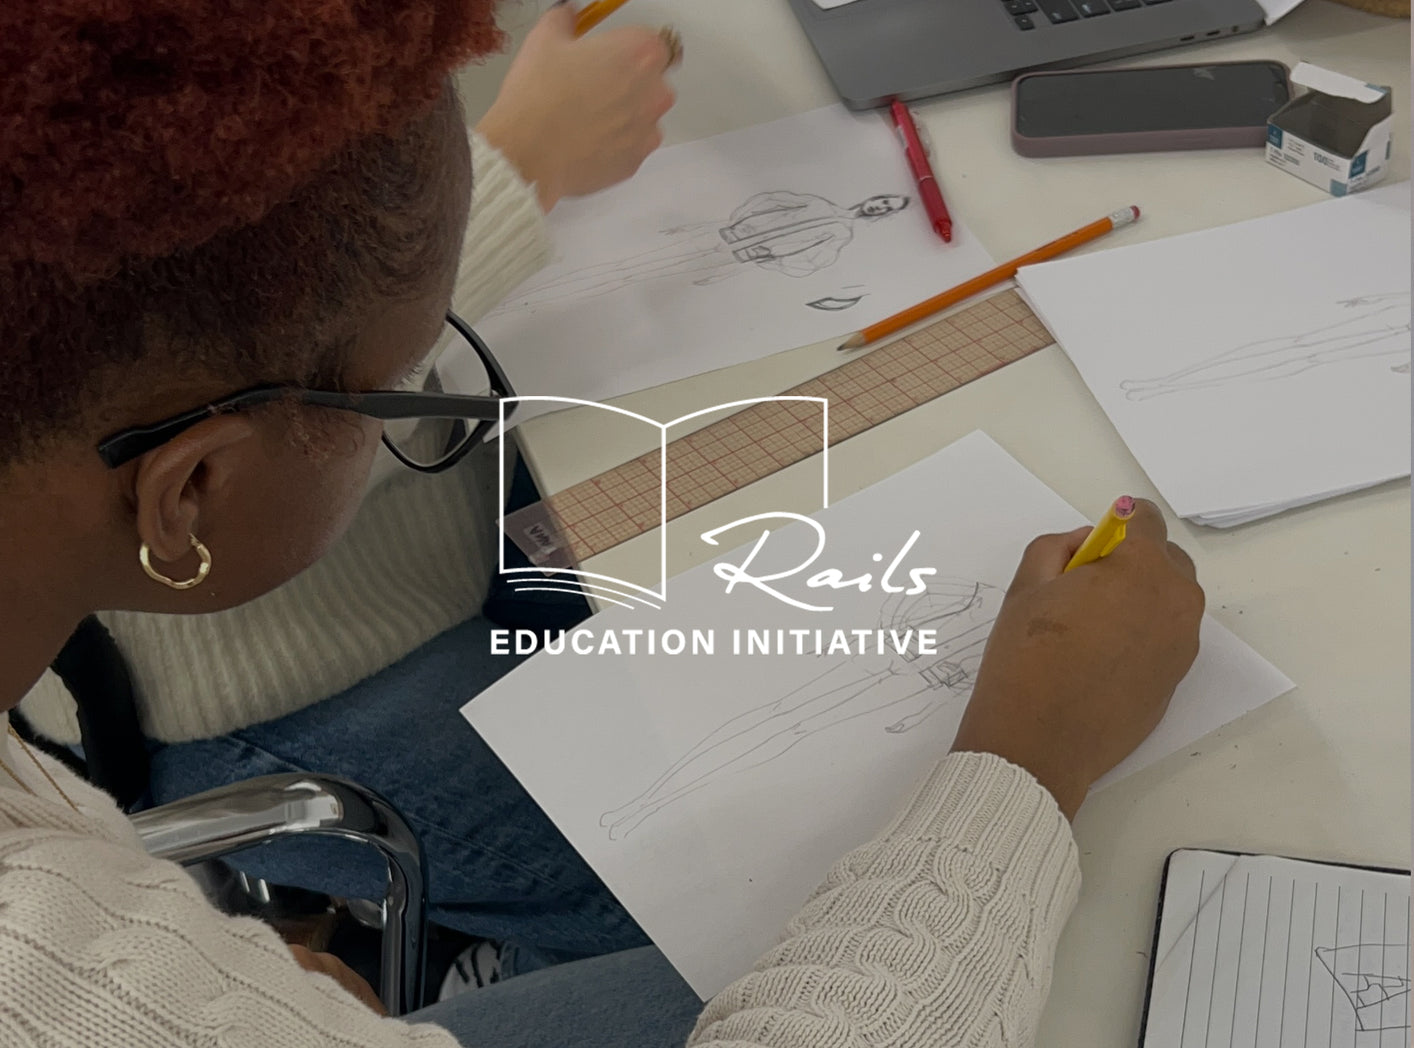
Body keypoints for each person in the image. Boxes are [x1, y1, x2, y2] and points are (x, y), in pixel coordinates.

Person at [0, 0, 1206, 1043]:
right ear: (188, 493)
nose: (441, 396)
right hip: (241, 726)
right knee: (890, 922)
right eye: (411, 380)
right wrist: (1027, 758)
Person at [15, 0, 679, 974]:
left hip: (368, 560)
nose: (410, 400)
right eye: (396, 394)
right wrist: (518, 162)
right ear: (191, 487)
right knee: (705, 888)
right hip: (269, 691)